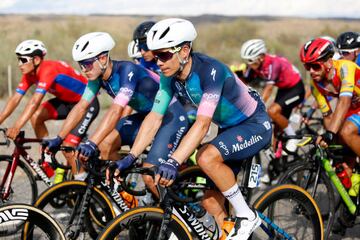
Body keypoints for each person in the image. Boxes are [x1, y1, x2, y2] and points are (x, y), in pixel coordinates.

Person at [108, 18, 272, 240]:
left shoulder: (210, 71)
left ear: (184, 51)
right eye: (155, 56)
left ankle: (246, 215)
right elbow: (155, 117)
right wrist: (133, 156)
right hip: (229, 128)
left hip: (254, 124)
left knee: (205, 157)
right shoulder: (169, 77)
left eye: (164, 55)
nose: (158, 62)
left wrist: (174, 161)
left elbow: (203, 124)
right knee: (210, 201)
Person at [46, 32, 188, 196]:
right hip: (146, 117)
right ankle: (125, 201)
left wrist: (91, 142)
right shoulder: (96, 79)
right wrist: (59, 137)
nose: (84, 70)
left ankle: (182, 214)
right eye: (81, 65)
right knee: (106, 145)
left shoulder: (127, 71)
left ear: (103, 59)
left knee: (150, 176)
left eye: (87, 64)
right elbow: (81, 107)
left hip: (171, 117)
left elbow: (116, 110)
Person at [0, 39, 99, 178]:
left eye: (23, 60)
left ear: (36, 59)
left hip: (87, 104)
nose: (19, 64)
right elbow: (15, 99)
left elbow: (34, 102)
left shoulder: (48, 69)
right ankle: (48, 158)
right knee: (36, 117)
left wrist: (16, 127)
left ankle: (82, 185)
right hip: (66, 102)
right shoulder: (29, 75)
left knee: (68, 147)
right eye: (18, 60)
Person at [239, 39, 305, 152]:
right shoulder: (254, 65)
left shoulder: (274, 63)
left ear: (260, 57)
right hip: (283, 89)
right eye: (246, 61)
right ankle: (280, 161)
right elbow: (243, 82)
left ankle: (294, 138)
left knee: (272, 111)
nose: (248, 64)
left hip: (296, 89)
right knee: (277, 133)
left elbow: (268, 89)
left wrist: (256, 107)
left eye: (250, 60)